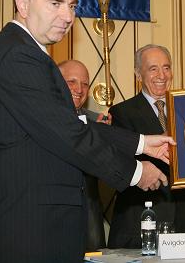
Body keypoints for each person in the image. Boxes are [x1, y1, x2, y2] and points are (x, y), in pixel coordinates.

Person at [0, 0, 174, 263]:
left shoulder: (28, 53)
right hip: (29, 231)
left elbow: (75, 124)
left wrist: (144, 143)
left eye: (71, 5)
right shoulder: (19, 56)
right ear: (23, 3)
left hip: (40, 228)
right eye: (55, 3)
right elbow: (69, 135)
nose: (68, 17)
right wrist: (136, 172)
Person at [107, 44, 185, 248]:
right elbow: (117, 163)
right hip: (142, 219)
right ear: (138, 74)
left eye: (166, 67)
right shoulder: (120, 113)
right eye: (153, 68)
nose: (161, 75)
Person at [58, 59, 111, 251]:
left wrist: (106, 138)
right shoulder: (40, 117)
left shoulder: (99, 122)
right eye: (71, 82)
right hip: (51, 215)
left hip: (89, 217)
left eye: (85, 83)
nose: (79, 89)